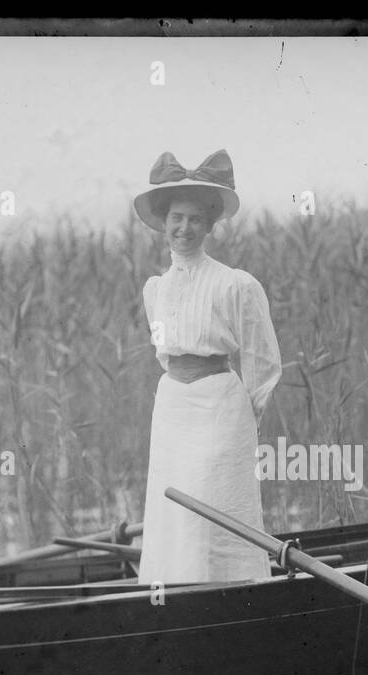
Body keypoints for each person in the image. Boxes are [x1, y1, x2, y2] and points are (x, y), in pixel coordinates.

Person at [132, 149, 282, 583]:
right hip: (173, 407)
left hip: (219, 406)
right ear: (164, 222)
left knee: (209, 503)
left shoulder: (235, 284)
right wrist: (177, 385)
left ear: (210, 225)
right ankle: (173, 591)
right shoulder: (155, 290)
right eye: (177, 218)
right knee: (171, 507)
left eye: (195, 219)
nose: (185, 228)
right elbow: (165, 353)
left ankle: (226, 591)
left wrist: (250, 413)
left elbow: (261, 358)